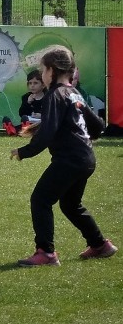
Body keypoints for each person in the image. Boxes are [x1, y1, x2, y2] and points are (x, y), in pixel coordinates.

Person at [10, 45, 116, 267]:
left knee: (40, 199)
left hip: (69, 160)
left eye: (43, 70)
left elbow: (49, 132)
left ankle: (46, 253)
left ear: (52, 70)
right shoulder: (74, 94)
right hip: (86, 158)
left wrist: (24, 152)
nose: (42, 75)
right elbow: (98, 126)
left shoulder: (54, 95)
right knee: (70, 204)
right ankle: (100, 245)